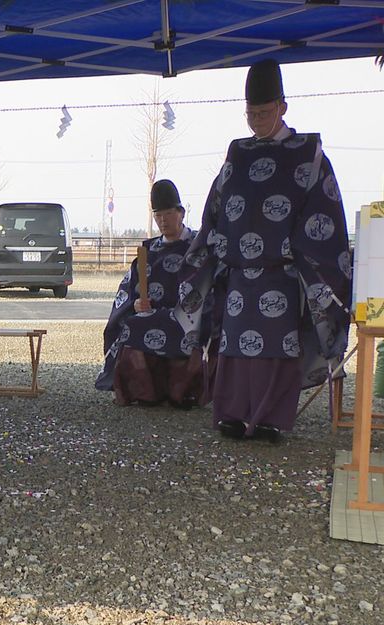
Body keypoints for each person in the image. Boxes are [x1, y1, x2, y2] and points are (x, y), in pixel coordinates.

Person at [176, 59, 351, 442]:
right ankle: (234, 414)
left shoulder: (309, 156)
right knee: (235, 347)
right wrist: (215, 248)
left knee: (277, 348)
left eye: (264, 112)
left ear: (282, 108)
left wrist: (295, 250)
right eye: (251, 113)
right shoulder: (237, 155)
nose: (256, 120)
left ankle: (272, 419)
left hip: (284, 273)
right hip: (239, 273)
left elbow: (326, 215)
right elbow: (215, 211)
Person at [96, 179, 210, 408]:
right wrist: (136, 303)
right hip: (151, 312)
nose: (162, 221)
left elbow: (209, 286)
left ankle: (183, 393)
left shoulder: (199, 247)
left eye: (168, 214)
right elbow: (128, 290)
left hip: (189, 314)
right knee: (133, 324)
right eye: (158, 215)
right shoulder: (148, 252)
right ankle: (144, 392)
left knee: (184, 326)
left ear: (181, 213)